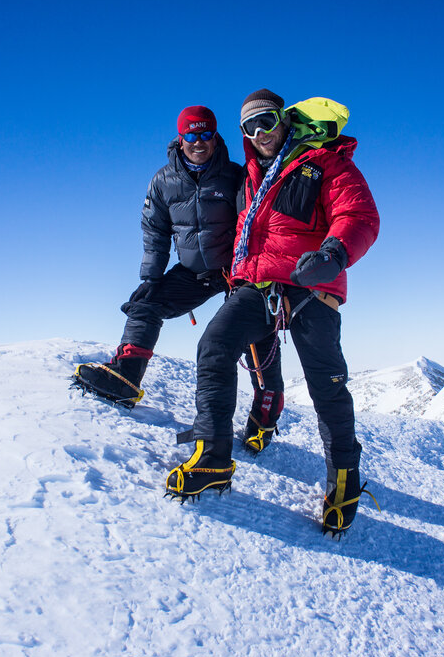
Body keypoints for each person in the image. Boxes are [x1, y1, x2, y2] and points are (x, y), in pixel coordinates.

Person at [164, 89, 381, 536]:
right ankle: (213, 459)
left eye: (266, 121)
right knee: (215, 345)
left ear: (285, 119)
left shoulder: (326, 162)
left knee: (326, 383)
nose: (260, 133)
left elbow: (358, 214)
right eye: (249, 127)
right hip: (257, 285)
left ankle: (344, 480)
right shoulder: (250, 177)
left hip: (311, 283)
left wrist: (335, 253)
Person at [73, 105, 280, 431]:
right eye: (191, 135)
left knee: (256, 332)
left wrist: (253, 273)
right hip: (193, 272)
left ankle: (264, 416)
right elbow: (155, 232)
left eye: (205, 134)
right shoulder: (164, 181)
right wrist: (151, 277)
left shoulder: (234, 175)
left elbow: (253, 223)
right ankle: (126, 377)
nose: (199, 142)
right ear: (180, 138)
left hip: (234, 270)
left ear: (215, 136)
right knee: (144, 302)